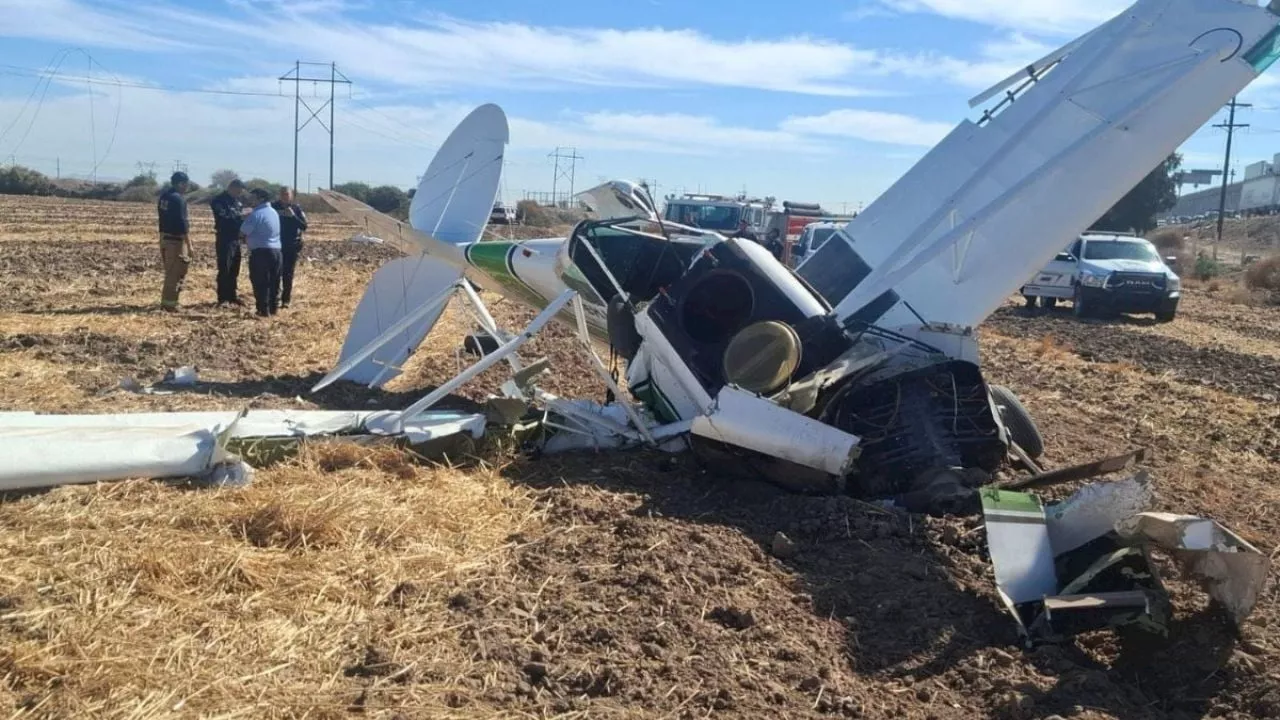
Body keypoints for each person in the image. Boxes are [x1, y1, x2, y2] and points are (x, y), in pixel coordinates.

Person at [239, 188, 283, 317]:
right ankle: (273, 308)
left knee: (260, 281)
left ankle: (263, 310)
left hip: (261, 253)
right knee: (274, 281)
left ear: (260, 198)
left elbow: (242, 232)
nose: (250, 199)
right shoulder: (273, 212)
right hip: (276, 251)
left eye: (253, 197)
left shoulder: (256, 214)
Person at [156, 172, 193, 312]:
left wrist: (160, 240)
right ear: (180, 183)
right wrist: (189, 245)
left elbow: (162, 220)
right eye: (186, 184)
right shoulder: (178, 199)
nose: (187, 187)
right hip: (175, 241)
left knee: (170, 272)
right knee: (175, 273)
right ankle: (169, 305)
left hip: (165, 239)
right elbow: (182, 224)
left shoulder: (164, 197)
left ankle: (170, 302)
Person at [210, 179, 247, 306]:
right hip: (224, 237)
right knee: (225, 268)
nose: (239, 194)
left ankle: (232, 296)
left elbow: (240, 219)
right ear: (232, 187)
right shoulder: (219, 200)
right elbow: (226, 217)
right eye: (238, 191)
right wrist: (242, 216)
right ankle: (223, 298)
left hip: (236, 238)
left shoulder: (237, 202)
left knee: (234, 268)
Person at [271, 187, 308, 308]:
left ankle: (286, 300)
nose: (284, 196)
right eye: (282, 194)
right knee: (275, 272)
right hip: (276, 244)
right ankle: (274, 298)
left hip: (291, 245)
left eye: (287, 194)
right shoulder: (273, 207)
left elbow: (304, 226)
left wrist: (293, 216)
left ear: (291, 196)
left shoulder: (296, 208)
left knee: (288, 274)